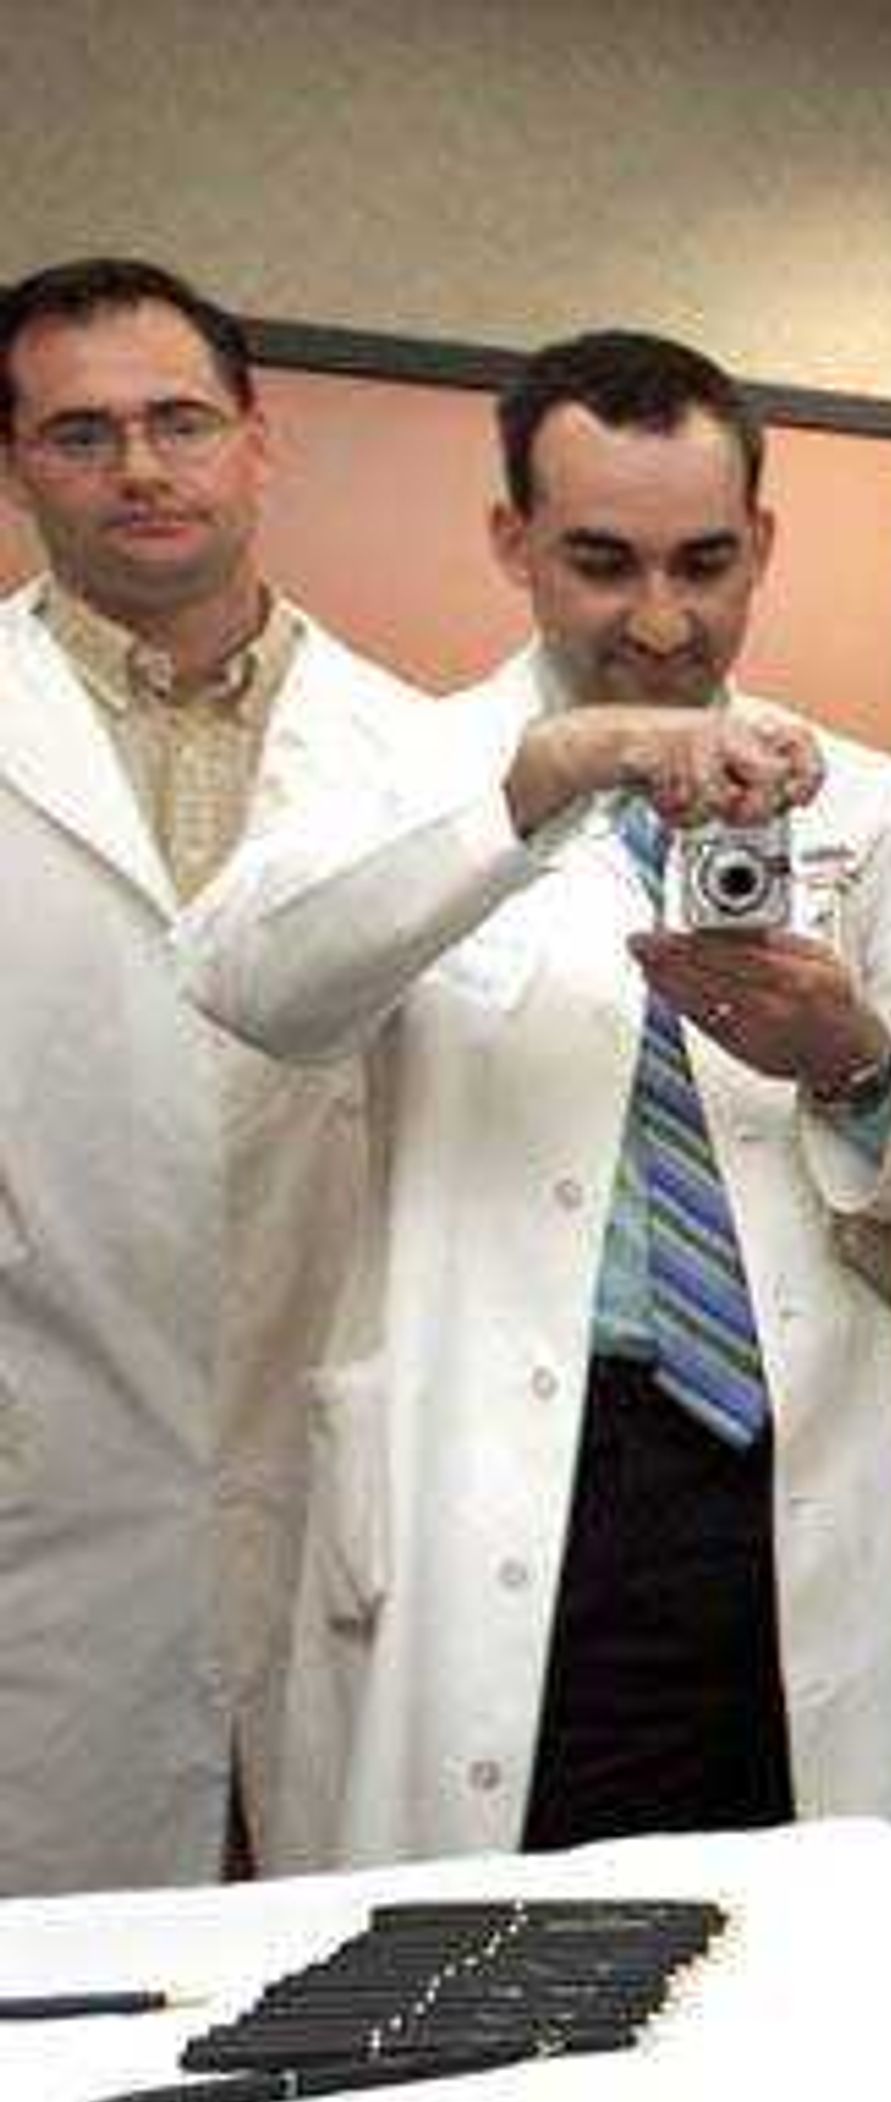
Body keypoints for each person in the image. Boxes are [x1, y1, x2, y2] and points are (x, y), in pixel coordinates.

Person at [178, 330, 891, 1867]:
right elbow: (256, 980)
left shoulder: (867, 798)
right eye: (601, 562)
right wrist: (543, 782)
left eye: (705, 563)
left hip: (782, 1490)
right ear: (511, 540)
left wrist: (850, 1059)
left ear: (763, 546)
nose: (661, 619)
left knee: (808, 1959)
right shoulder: (395, 759)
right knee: (504, 1991)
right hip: (503, 1491)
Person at [0, 257, 419, 1894]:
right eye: (81, 433)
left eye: (180, 421)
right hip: (48, 1479)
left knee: (352, 1996)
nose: (142, 469)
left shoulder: (418, 755)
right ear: (21, 466)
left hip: (347, 1483)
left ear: (260, 439)